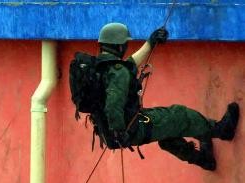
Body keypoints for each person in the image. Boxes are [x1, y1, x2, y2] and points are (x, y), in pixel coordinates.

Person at [76, 22, 240, 170]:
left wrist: (150, 42)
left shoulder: (100, 68)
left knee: (166, 130)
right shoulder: (118, 72)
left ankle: (203, 159)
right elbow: (113, 104)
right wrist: (120, 132)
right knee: (179, 116)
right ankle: (222, 130)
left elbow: (129, 66)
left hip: (109, 134)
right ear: (120, 46)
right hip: (128, 129)